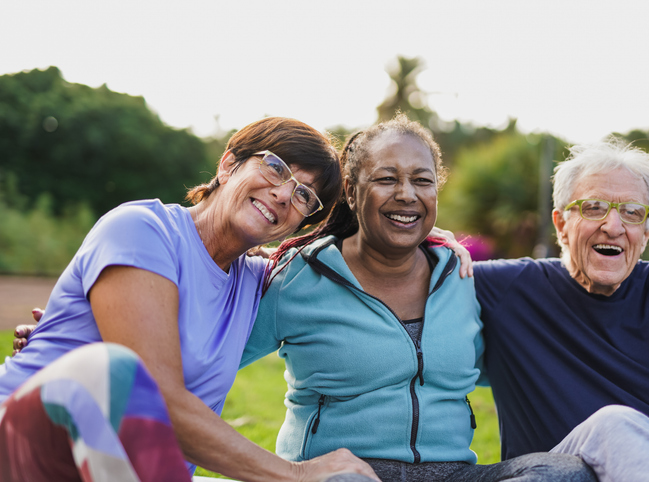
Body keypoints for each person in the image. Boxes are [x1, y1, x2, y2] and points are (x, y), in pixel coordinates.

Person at [0, 117, 379, 482]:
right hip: (27, 448)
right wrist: (295, 474)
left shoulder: (262, 282)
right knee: (114, 370)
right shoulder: (141, 229)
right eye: (276, 168)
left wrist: (434, 243)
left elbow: (380, 246)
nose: (283, 195)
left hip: (130, 470)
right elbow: (158, 397)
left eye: (303, 195)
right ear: (229, 164)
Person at [237, 114, 597, 481]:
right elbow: (205, 367)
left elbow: (520, 367)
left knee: (565, 472)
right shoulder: (297, 279)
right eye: (386, 178)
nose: (407, 194)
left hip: (453, 474)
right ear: (350, 190)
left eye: (422, 181)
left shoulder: (461, 276)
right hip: (348, 474)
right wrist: (287, 470)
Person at [473, 139, 649, 481]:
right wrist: (440, 245)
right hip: (569, 473)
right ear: (561, 223)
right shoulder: (506, 288)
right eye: (594, 207)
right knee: (615, 425)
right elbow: (399, 261)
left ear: (647, 230)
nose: (614, 226)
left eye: (632, 212)